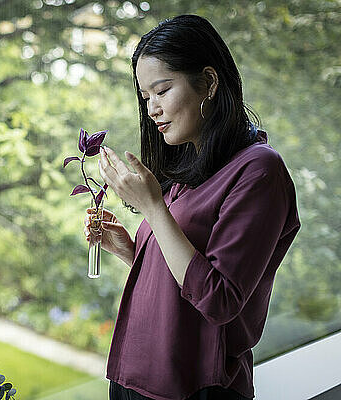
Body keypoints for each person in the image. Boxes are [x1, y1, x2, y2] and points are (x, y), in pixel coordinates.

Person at [84, 15, 301, 400]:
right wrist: (133, 252)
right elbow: (185, 276)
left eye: (162, 90)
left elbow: (219, 300)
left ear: (209, 82)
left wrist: (152, 208)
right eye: (145, 97)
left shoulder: (258, 171)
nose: (152, 109)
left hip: (194, 386)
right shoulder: (189, 167)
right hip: (134, 376)